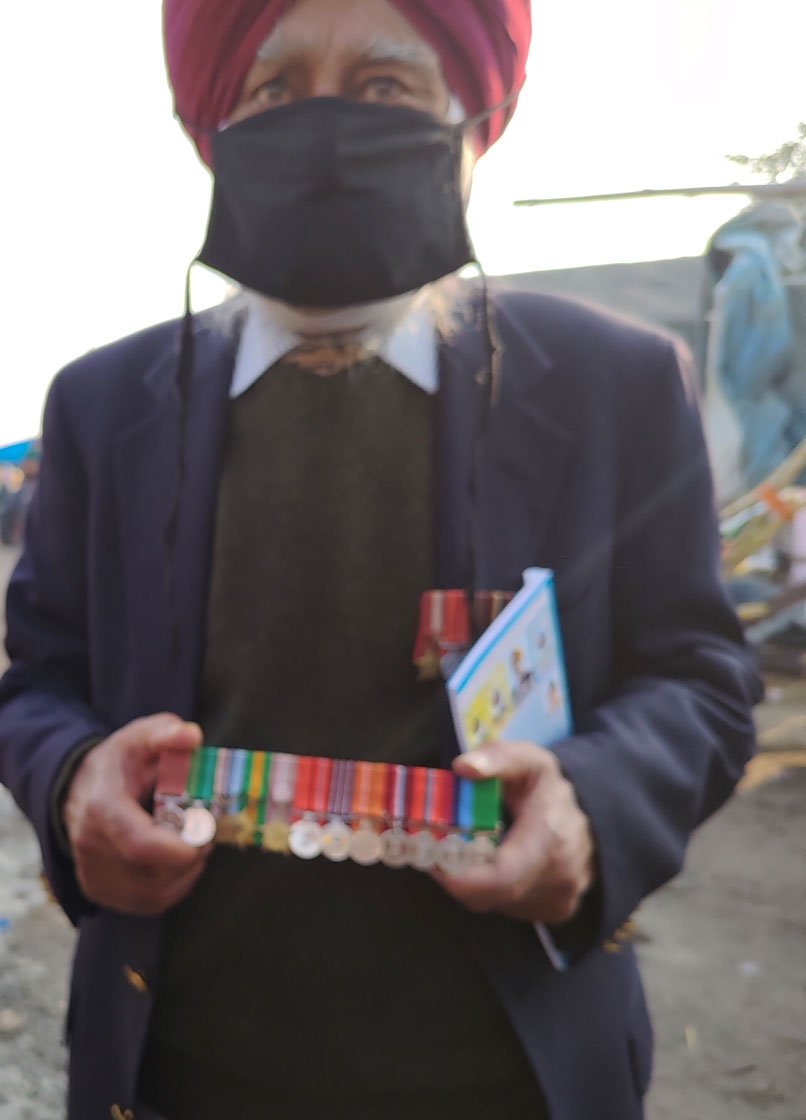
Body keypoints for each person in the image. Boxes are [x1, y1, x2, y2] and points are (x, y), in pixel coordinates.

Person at [0, 2, 761, 1119]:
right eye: (272, 87)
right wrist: (72, 784)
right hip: (183, 1066)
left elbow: (699, 674)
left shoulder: (613, 387)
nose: (325, 125)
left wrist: (589, 805)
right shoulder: (104, 406)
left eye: (383, 84)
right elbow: (38, 680)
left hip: (503, 1075)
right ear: (211, 127)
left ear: (476, 117)